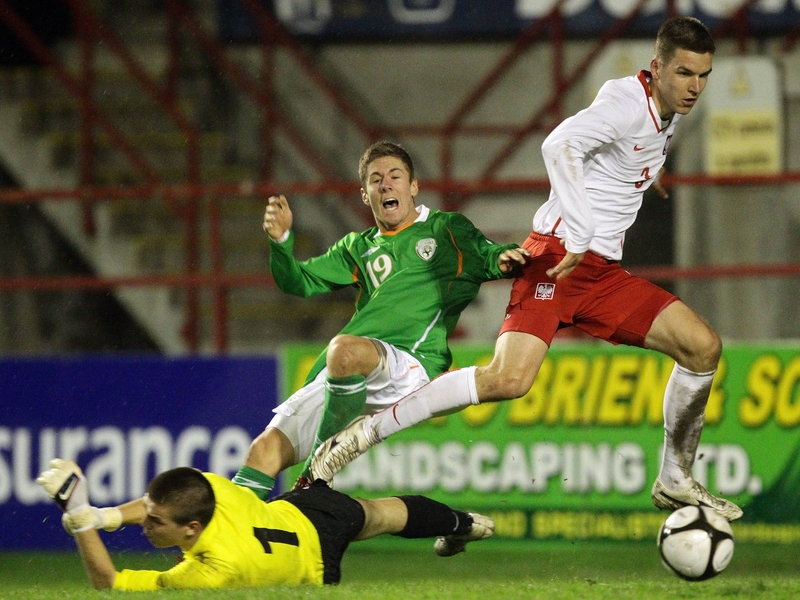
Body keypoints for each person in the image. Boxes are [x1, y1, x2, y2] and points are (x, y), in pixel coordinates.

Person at [311, 17, 742, 522]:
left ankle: (675, 478)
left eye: (703, 76)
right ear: (657, 67)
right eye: (685, 73)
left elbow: (623, 151)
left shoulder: (663, 111)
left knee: (702, 348)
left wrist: (649, 173)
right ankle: (363, 433)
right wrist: (580, 228)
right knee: (507, 379)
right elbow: (558, 145)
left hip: (601, 275)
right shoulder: (628, 103)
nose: (695, 87)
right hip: (557, 260)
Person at [232, 140, 529, 496]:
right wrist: (280, 241)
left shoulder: (445, 229)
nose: (386, 185)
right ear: (365, 195)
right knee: (263, 451)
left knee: (343, 350)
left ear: (413, 186)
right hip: (350, 371)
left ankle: (316, 475)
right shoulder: (357, 247)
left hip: (409, 363)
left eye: (395, 176)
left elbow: (486, 254)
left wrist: (503, 258)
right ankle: (230, 529)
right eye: (376, 180)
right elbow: (298, 281)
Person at [36, 458, 494, 590]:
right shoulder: (211, 489)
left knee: (385, 515)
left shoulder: (211, 572)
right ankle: (463, 522)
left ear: (192, 528)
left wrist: (79, 517)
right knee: (383, 513)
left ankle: (460, 524)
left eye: (154, 522)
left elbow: (108, 582)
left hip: (315, 566)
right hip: (306, 511)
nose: (145, 525)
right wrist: (104, 515)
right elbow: (160, 499)